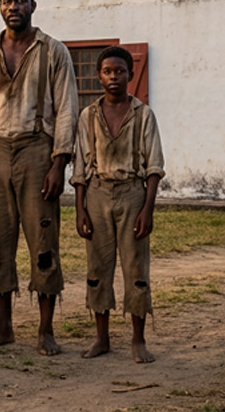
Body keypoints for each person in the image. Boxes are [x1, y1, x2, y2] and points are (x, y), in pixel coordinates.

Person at [0, 0, 78, 354]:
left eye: (21, 0)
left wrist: (58, 163)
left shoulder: (53, 51)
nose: (14, 7)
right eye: (7, 1)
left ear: (33, 4)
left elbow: (66, 111)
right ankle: (4, 327)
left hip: (37, 150)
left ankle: (45, 330)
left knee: (43, 243)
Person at [72, 46, 164, 363]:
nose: (114, 77)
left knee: (135, 268)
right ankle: (102, 338)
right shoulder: (88, 116)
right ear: (99, 76)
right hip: (98, 194)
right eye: (108, 71)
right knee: (98, 267)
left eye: (120, 71)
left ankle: (138, 341)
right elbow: (81, 168)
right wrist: (80, 209)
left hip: (132, 193)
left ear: (131, 74)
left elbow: (154, 167)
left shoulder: (143, 115)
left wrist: (147, 209)